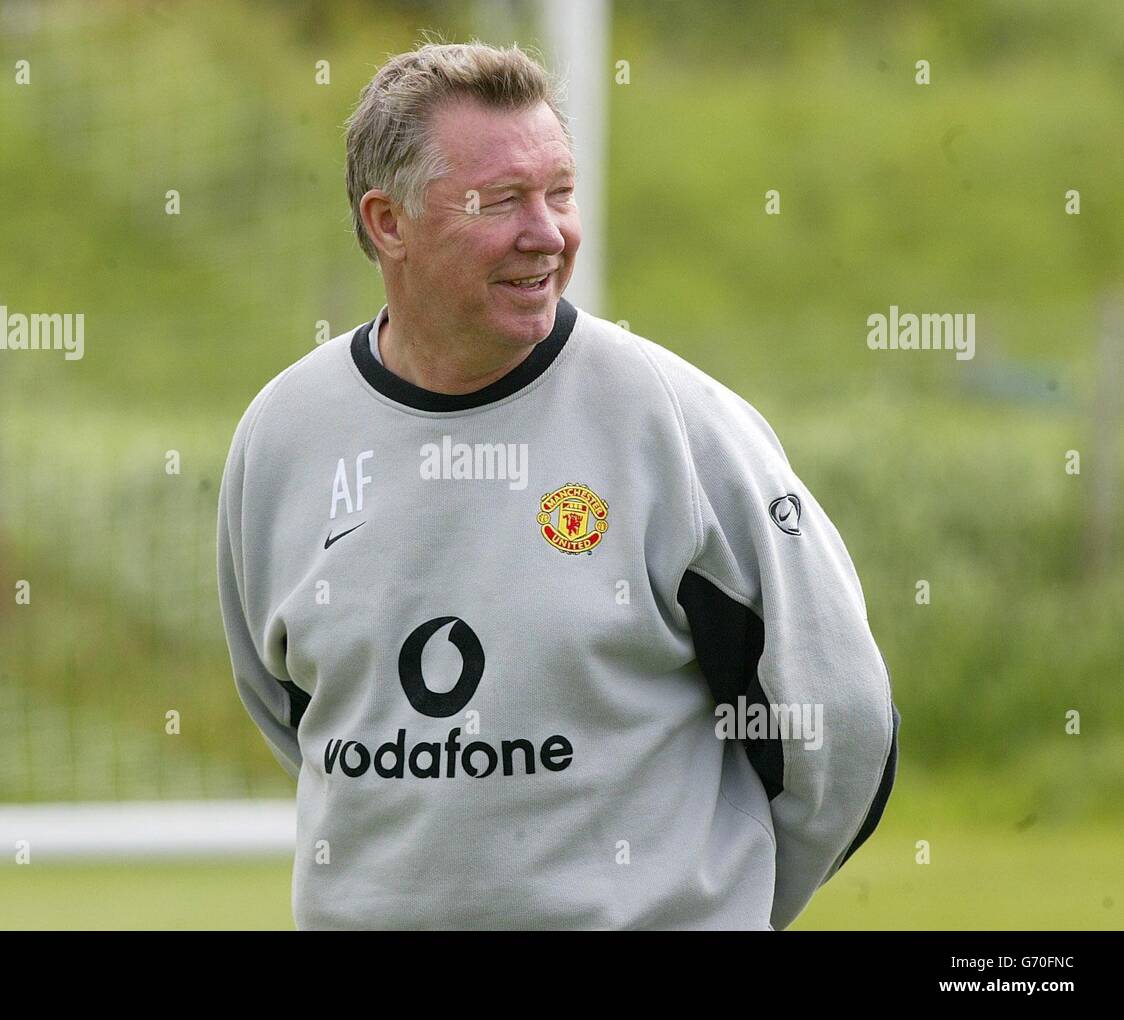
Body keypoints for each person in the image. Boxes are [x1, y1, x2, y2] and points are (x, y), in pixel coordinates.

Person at [217, 39, 900, 930]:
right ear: (389, 223)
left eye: (561, 193)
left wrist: (725, 908)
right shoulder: (283, 435)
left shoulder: (674, 422)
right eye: (502, 201)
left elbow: (837, 723)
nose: (550, 233)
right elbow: (298, 715)